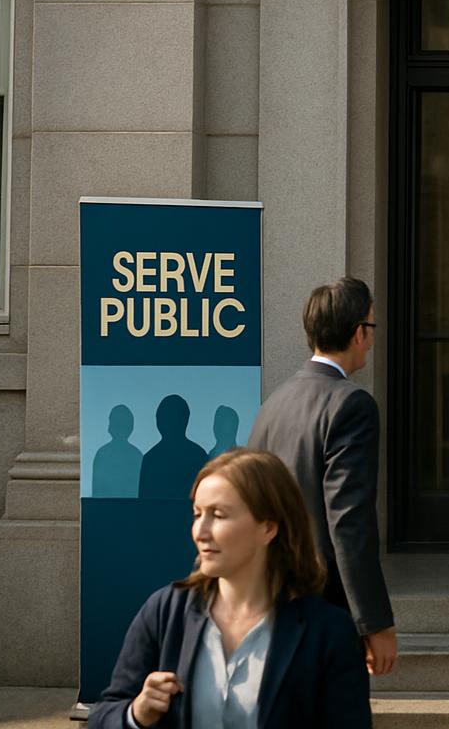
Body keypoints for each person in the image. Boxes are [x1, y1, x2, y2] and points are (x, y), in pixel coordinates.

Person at [87, 448, 370, 728]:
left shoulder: (328, 632)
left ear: (268, 528)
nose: (200, 531)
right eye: (197, 514)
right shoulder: (165, 612)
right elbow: (104, 716)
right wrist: (136, 714)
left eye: (218, 515)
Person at [249, 277, 396, 676]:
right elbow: (349, 521)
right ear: (359, 333)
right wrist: (374, 622)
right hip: (323, 603)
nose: (372, 338)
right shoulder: (353, 405)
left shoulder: (273, 403)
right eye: (372, 326)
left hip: (268, 594)